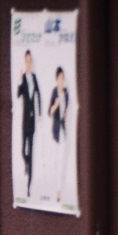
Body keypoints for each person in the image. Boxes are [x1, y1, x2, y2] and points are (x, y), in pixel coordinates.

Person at [16, 50, 42, 197]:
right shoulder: (24, 79)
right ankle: (26, 164)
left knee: (30, 152)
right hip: (24, 119)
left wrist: (39, 114)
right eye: (27, 61)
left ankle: (28, 186)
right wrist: (20, 80)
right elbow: (19, 94)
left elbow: (38, 95)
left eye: (30, 61)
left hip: (32, 120)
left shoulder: (35, 77)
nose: (29, 63)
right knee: (22, 151)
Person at [47, 67, 70, 203]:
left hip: (64, 129)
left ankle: (58, 191)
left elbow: (68, 107)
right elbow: (49, 113)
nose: (61, 81)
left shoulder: (66, 93)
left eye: (63, 78)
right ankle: (54, 187)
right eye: (59, 79)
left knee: (62, 161)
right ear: (56, 80)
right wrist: (55, 105)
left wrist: (66, 112)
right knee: (55, 161)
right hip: (55, 130)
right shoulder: (54, 92)